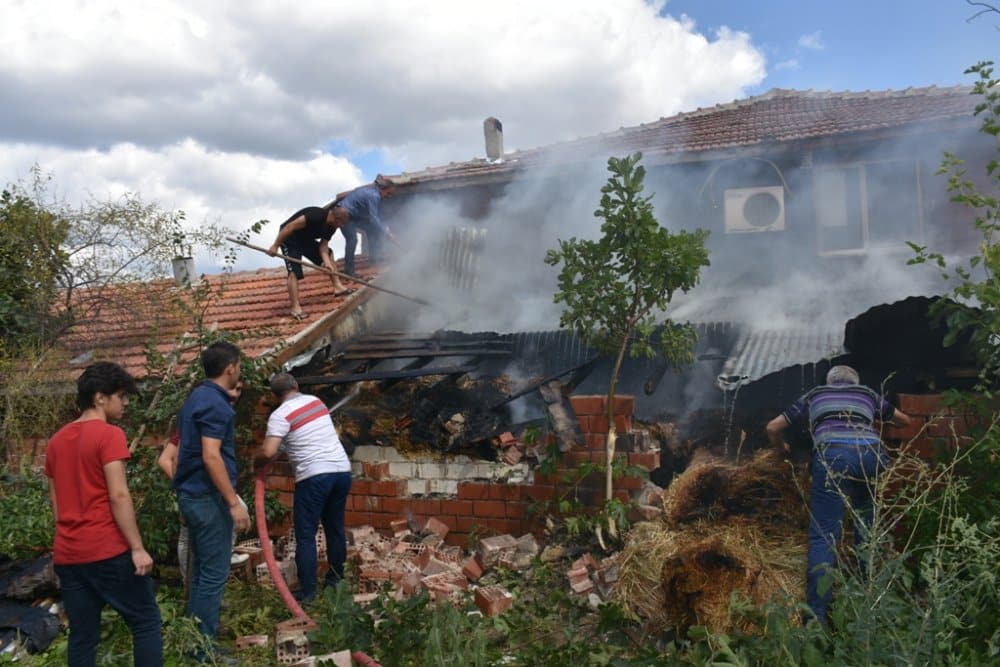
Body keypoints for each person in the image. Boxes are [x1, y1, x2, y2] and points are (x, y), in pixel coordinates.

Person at [766, 364, 911, 625]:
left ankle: (816, 619)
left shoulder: (815, 394)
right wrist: (869, 421)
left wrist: (782, 448)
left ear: (830, 382)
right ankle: (869, 602)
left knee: (824, 535)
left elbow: (772, 427)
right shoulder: (866, 393)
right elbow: (904, 420)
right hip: (873, 454)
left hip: (834, 455)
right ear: (854, 382)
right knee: (866, 528)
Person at [44, 361, 163, 666]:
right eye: (121, 396)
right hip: (107, 549)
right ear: (100, 397)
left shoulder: (56, 441)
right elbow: (119, 495)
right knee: (145, 621)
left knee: (83, 635)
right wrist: (137, 548)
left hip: (69, 554)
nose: (124, 403)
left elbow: (56, 503)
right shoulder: (109, 435)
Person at [174, 342, 250, 646]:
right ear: (230, 367)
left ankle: (193, 641)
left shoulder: (198, 398)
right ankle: (202, 651)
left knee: (202, 573)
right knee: (214, 575)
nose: (239, 372)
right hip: (207, 499)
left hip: (193, 496)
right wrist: (233, 502)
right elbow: (211, 456)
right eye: (240, 366)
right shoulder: (215, 405)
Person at [257, 373, 352, 603]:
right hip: (342, 471)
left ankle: (308, 592)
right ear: (296, 385)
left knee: (306, 535)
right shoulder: (316, 402)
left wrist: (255, 463)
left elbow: (269, 452)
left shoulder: (279, 415)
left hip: (314, 476)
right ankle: (336, 580)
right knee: (335, 527)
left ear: (274, 395)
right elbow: (301, 437)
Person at [158, 381, 248, 587]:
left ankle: (208, 576)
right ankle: (199, 580)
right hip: (199, 491)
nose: (234, 395)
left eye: (238, 390)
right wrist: (184, 482)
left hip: (203, 489)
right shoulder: (194, 425)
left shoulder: (217, 420)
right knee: (189, 537)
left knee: (195, 537)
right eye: (230, 389)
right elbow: (165, 460)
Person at [267, 205, 352, 320]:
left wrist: (326, 263)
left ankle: (338, 287)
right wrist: (275, 245)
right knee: (294, 271)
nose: (342, 226)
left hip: (304, 240)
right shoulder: (316, 216)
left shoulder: (332, 226)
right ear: (336, 218)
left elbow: (323, 246)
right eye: (342, 223)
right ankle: (295, 308)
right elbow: (289, 227)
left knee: (329, 253)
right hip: (289, 238)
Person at [334, 174, 397, 278]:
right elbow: (374, 218)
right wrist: (387, 234)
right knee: (352, 240)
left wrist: (386, 230)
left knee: (372, 229)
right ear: (382, 189)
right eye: (388, 193)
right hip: (343, 214)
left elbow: (377, 218)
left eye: (391, 195)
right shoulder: (374, 196)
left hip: (354, 217)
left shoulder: (376, 195)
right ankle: (349, 271)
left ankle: (374, 259)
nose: (389, 196)